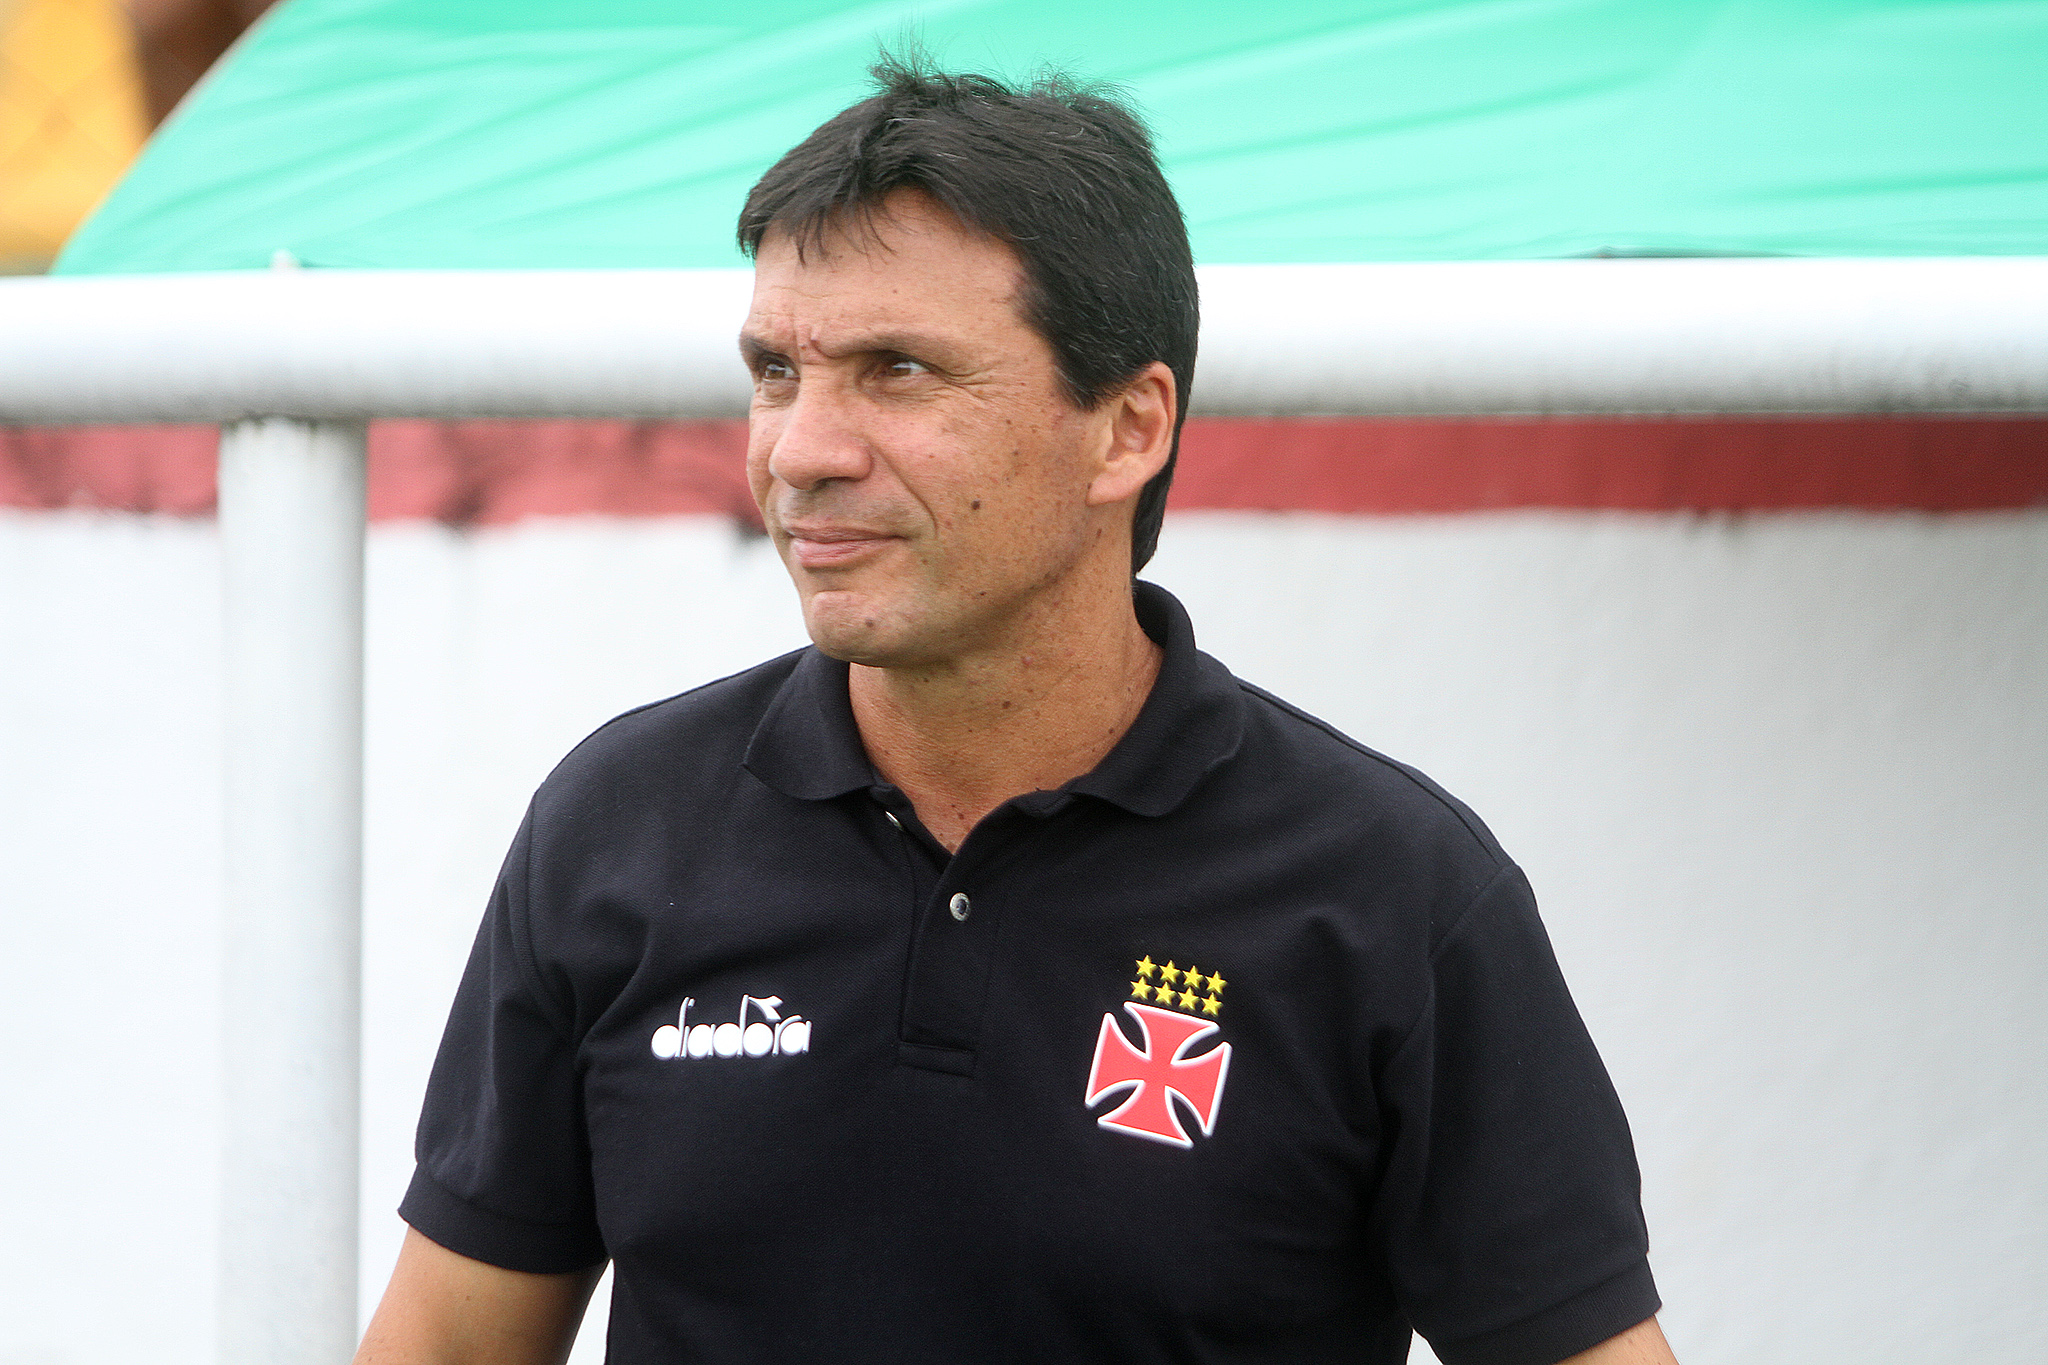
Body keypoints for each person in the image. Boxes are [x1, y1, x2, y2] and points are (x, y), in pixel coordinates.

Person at [356, 57, 1678, 1365]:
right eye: (776, 371)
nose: (801, 450)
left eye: (898, 370)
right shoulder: (620, 827)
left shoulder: (1389, 894)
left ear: (1127, 429)